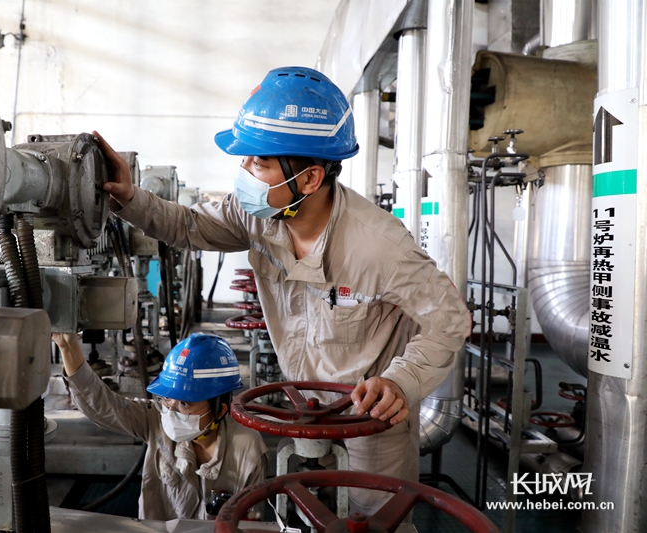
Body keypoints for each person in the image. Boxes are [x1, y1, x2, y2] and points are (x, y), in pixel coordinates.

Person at [94, 66, 470, 521]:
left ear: (310, 179)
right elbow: (188, 226)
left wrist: (401, 383)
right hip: (302, 402)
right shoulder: (255, 214)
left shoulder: (379, 246)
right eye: (246, 159)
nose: (244, 172)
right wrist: (129, 198)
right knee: (301, 512)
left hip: (371, 411)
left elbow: (449, 318)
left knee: (378, 521)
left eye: (260, 162)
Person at [54, 332, 267, 520]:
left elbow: (250, 524)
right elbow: (103, 406)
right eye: (166, 398)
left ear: (220, 411)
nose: (170, 410)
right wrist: (68, 347)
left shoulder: (248, 451)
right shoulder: (155, 419)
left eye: (184, 403)